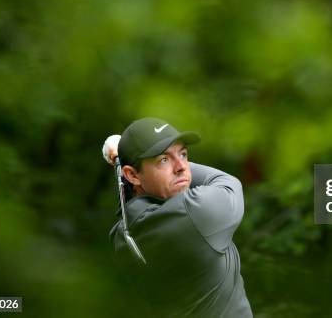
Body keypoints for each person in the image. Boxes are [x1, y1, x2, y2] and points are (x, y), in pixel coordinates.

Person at [105, 117, 253, 317]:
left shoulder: (122, 233)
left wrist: (128, 161)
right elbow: (226, 181)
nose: (181, 166)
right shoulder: (198, 214)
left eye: (183, 154)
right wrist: (122, 161)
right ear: (132, 175)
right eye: (163, 160)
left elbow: (134, 191)